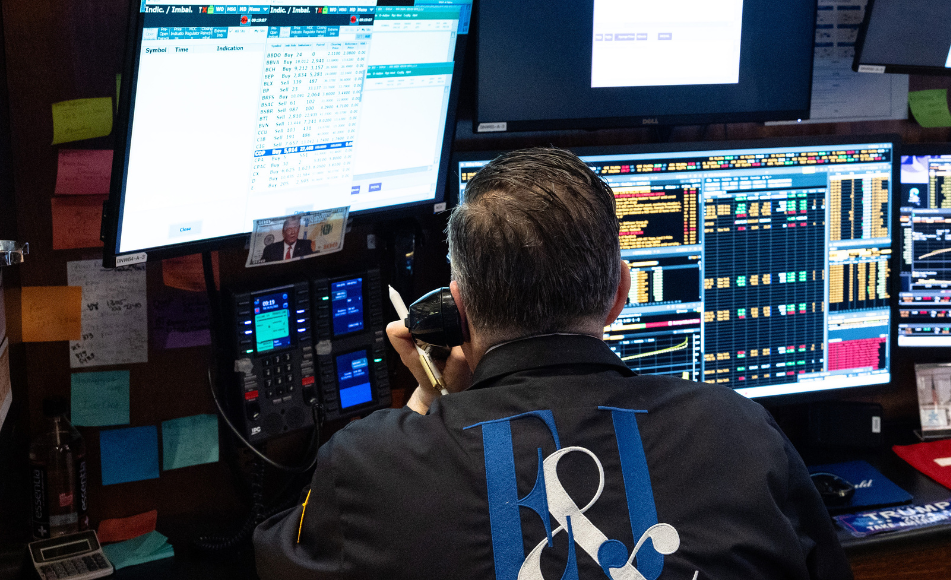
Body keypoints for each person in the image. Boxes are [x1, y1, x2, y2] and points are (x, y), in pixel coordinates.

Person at [253, 147, 851, 580]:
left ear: (459, 309)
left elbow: (279, 559)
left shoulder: (373, 464)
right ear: (620, 294)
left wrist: (429, 396)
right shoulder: (739, 431)